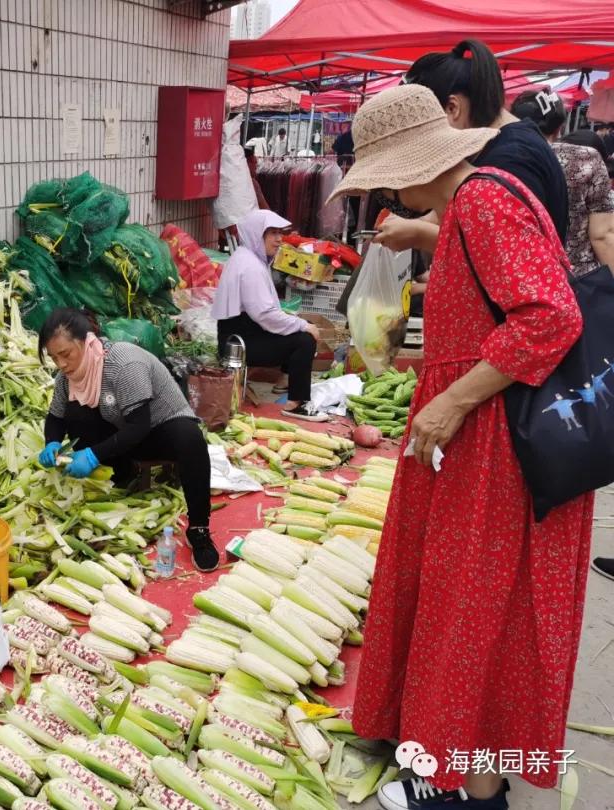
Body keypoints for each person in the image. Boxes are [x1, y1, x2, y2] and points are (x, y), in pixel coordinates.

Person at [331, 85, 590, 810]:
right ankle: (468, 775)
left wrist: (451, 400)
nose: (387, 193)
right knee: (481, 616)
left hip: (494, 450)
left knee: (473, 612)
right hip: (485, 441)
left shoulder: (481, 202)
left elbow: (550, 317)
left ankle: (465, 790)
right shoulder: (475, 200)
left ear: (411, 165)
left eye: (385, 179)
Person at [35, 309, 219, 572]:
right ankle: (122, 475)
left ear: (85, 341)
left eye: (65, 354)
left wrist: (93, 455)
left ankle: (199, 529)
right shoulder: (68, 378)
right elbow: (56, 417)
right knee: (76, 414)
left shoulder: (123, 363)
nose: (61, 364)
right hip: (123, 429)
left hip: (159, 428)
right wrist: (51, 442)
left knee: (190, 438)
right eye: (54, 357)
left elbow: (139, 426)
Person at [376, 40, 569, 254]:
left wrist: (419, 234)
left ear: (452, 108)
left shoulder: (511, 158)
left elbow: (506, 251)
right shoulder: (506, 143)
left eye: (426, 127)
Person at [212, 208, 326, 422]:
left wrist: (299, 322)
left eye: (280, 233)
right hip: (240, 345)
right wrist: (302, 325)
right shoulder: (250, 267)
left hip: (239, 337)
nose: (279, 239)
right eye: (273, 233)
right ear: (257, 234)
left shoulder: (245, 256)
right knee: (305, 340)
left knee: (300, 326)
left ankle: (285, 380)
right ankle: (297, 404)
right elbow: (265, 315)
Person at [510, 91, 614, 275]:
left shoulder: (501, 156)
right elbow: (601, 235)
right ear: (560, 127)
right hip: (575, 276)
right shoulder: (585, 157)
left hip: (519, 272)